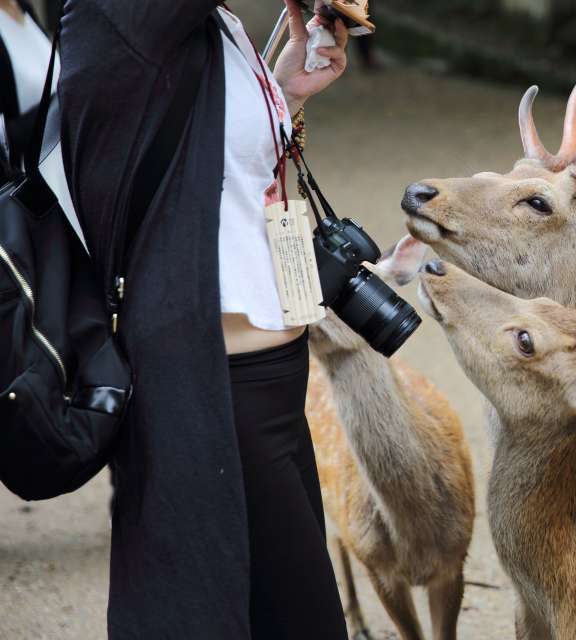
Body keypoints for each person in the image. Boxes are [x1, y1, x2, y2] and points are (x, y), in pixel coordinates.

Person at [59, 1, 352, 637]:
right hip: (209, 384)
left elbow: (217, 171)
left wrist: (284, 95)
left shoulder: (212, 24)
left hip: (269, 377)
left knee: (275, 612)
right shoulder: (121, 13)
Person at [0, 0, 55, 172]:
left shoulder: (24, 9)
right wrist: (60, 105)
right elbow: (4, 141)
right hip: (31, 183)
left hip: (62, 166)